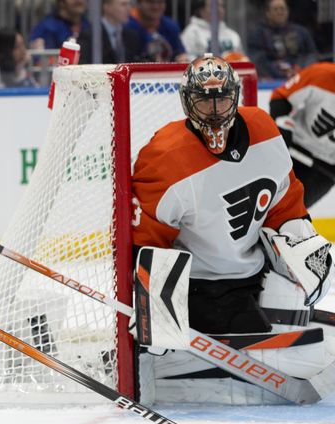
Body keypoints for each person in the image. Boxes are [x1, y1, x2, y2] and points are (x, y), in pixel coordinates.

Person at [131, 54, 335, 405]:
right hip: (200, 288)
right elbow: (147, 244)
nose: (214, 112)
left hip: (253, 277)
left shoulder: (264, 131)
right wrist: (152, 310)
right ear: (186, 102)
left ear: (235, 97)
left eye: (221, 100)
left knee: (304, 325)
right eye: (203, 101)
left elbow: (285, 203)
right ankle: (166, 370)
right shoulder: (163, 158)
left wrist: (304, 242)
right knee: (219, 367)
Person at [270, 62, 335, 207]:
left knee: (288, 215)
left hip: (324, 170)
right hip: (291, 148)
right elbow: (281, 96)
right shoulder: (323, 75)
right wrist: (282, 124)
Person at [247, 0, 317, 80]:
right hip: (272, 81)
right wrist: (278, 71)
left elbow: (311, 54)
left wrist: (301, 67)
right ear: (268, 13)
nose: (280, 12)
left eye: (282, 9)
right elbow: (257, 58)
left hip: (300, 78)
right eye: (275, 9)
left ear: (288, 11)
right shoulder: (258, 34)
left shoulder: (301, 32)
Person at [77, 0, 144, 64]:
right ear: (107, 7)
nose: (129, 9)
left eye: (129, 4)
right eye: (123, 4)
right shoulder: (90, 35)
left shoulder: (132, 35)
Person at [180, 0, 245, 60]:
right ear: (201, 10)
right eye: (214, 6)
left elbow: (242, 60)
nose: (219, 9)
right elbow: (187, 60)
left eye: (222, 6)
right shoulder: (191, 33)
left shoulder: (232, 35)